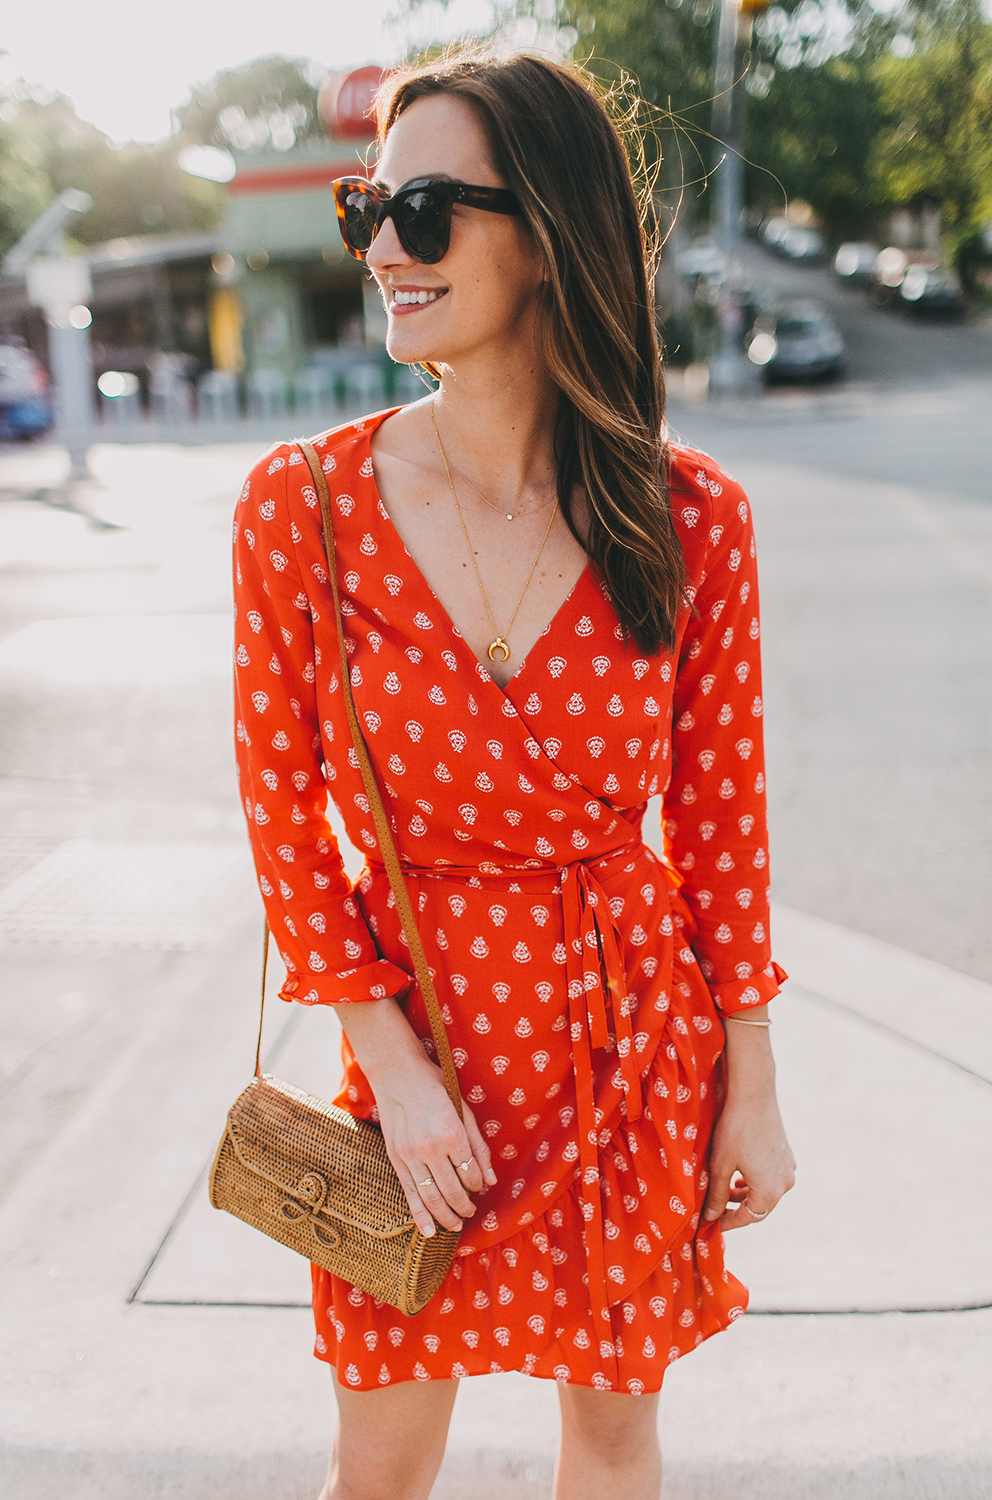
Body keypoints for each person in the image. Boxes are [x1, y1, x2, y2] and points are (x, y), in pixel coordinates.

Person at [232, 46, 795, 1500]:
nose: (385, 251)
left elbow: (724, 823)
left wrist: (753, 1086)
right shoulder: (305, 507)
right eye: (369, 208)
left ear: (546, 233)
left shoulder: (688, 518)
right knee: (383, 1445)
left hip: (631, 1051)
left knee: (611, 1431)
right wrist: (397, 1070)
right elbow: (283, 814)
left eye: (426, 208)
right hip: (419, 1051)